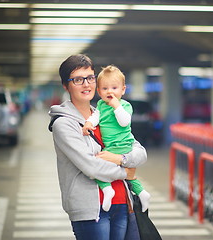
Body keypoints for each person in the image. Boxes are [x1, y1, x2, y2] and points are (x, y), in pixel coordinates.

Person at [48, 54, 147, 240]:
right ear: (65, 85)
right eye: (78, 79)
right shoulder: (64, 124)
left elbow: (140, 152)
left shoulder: (104, 113)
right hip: (90, 210)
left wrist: (122, 159)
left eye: (90, 78)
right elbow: (90, 166)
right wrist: (126, 173)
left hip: (121, 202)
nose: (86, 84)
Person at [82, 65, 150, 213]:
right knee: (129, 176)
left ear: (123, 90)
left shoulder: (125, 105)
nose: (110, 92)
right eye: (105, 89)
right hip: (111, 146)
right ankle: (142, 193)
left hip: (122, 145)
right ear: (99, 92)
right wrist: (89, 123)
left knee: (98, 166)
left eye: (114, 88)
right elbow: (96, 117)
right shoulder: (100, 105)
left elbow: (124, 121)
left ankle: (107, 190)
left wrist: (116, 106)